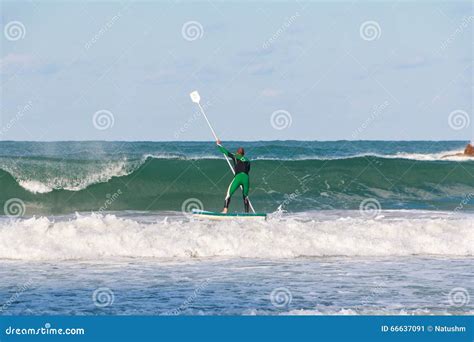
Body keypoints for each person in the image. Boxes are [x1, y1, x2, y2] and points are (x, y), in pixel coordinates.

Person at [216, 139, 250, 213]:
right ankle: (247, 213)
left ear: (237, 152)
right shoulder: (248, 160)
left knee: (228, 194)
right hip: (246, 178)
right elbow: (248, 170)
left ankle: (225, 210)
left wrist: (218, 145)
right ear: (243, 154)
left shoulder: (235, 156)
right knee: (245, 197)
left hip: (238, 177)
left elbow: (226, 152)